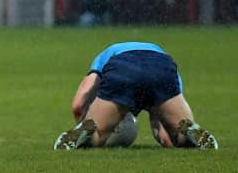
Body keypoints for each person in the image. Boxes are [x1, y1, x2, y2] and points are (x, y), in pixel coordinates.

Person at [53, 41, 219, 150]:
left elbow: (78, 105)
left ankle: (86, 131)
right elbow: (164, 135)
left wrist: (84, 122)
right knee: (177, 136)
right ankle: (190, 130)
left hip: (123, 67)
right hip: (161, 67)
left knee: (97, 134)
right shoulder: (161, 56)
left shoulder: (107, 54)